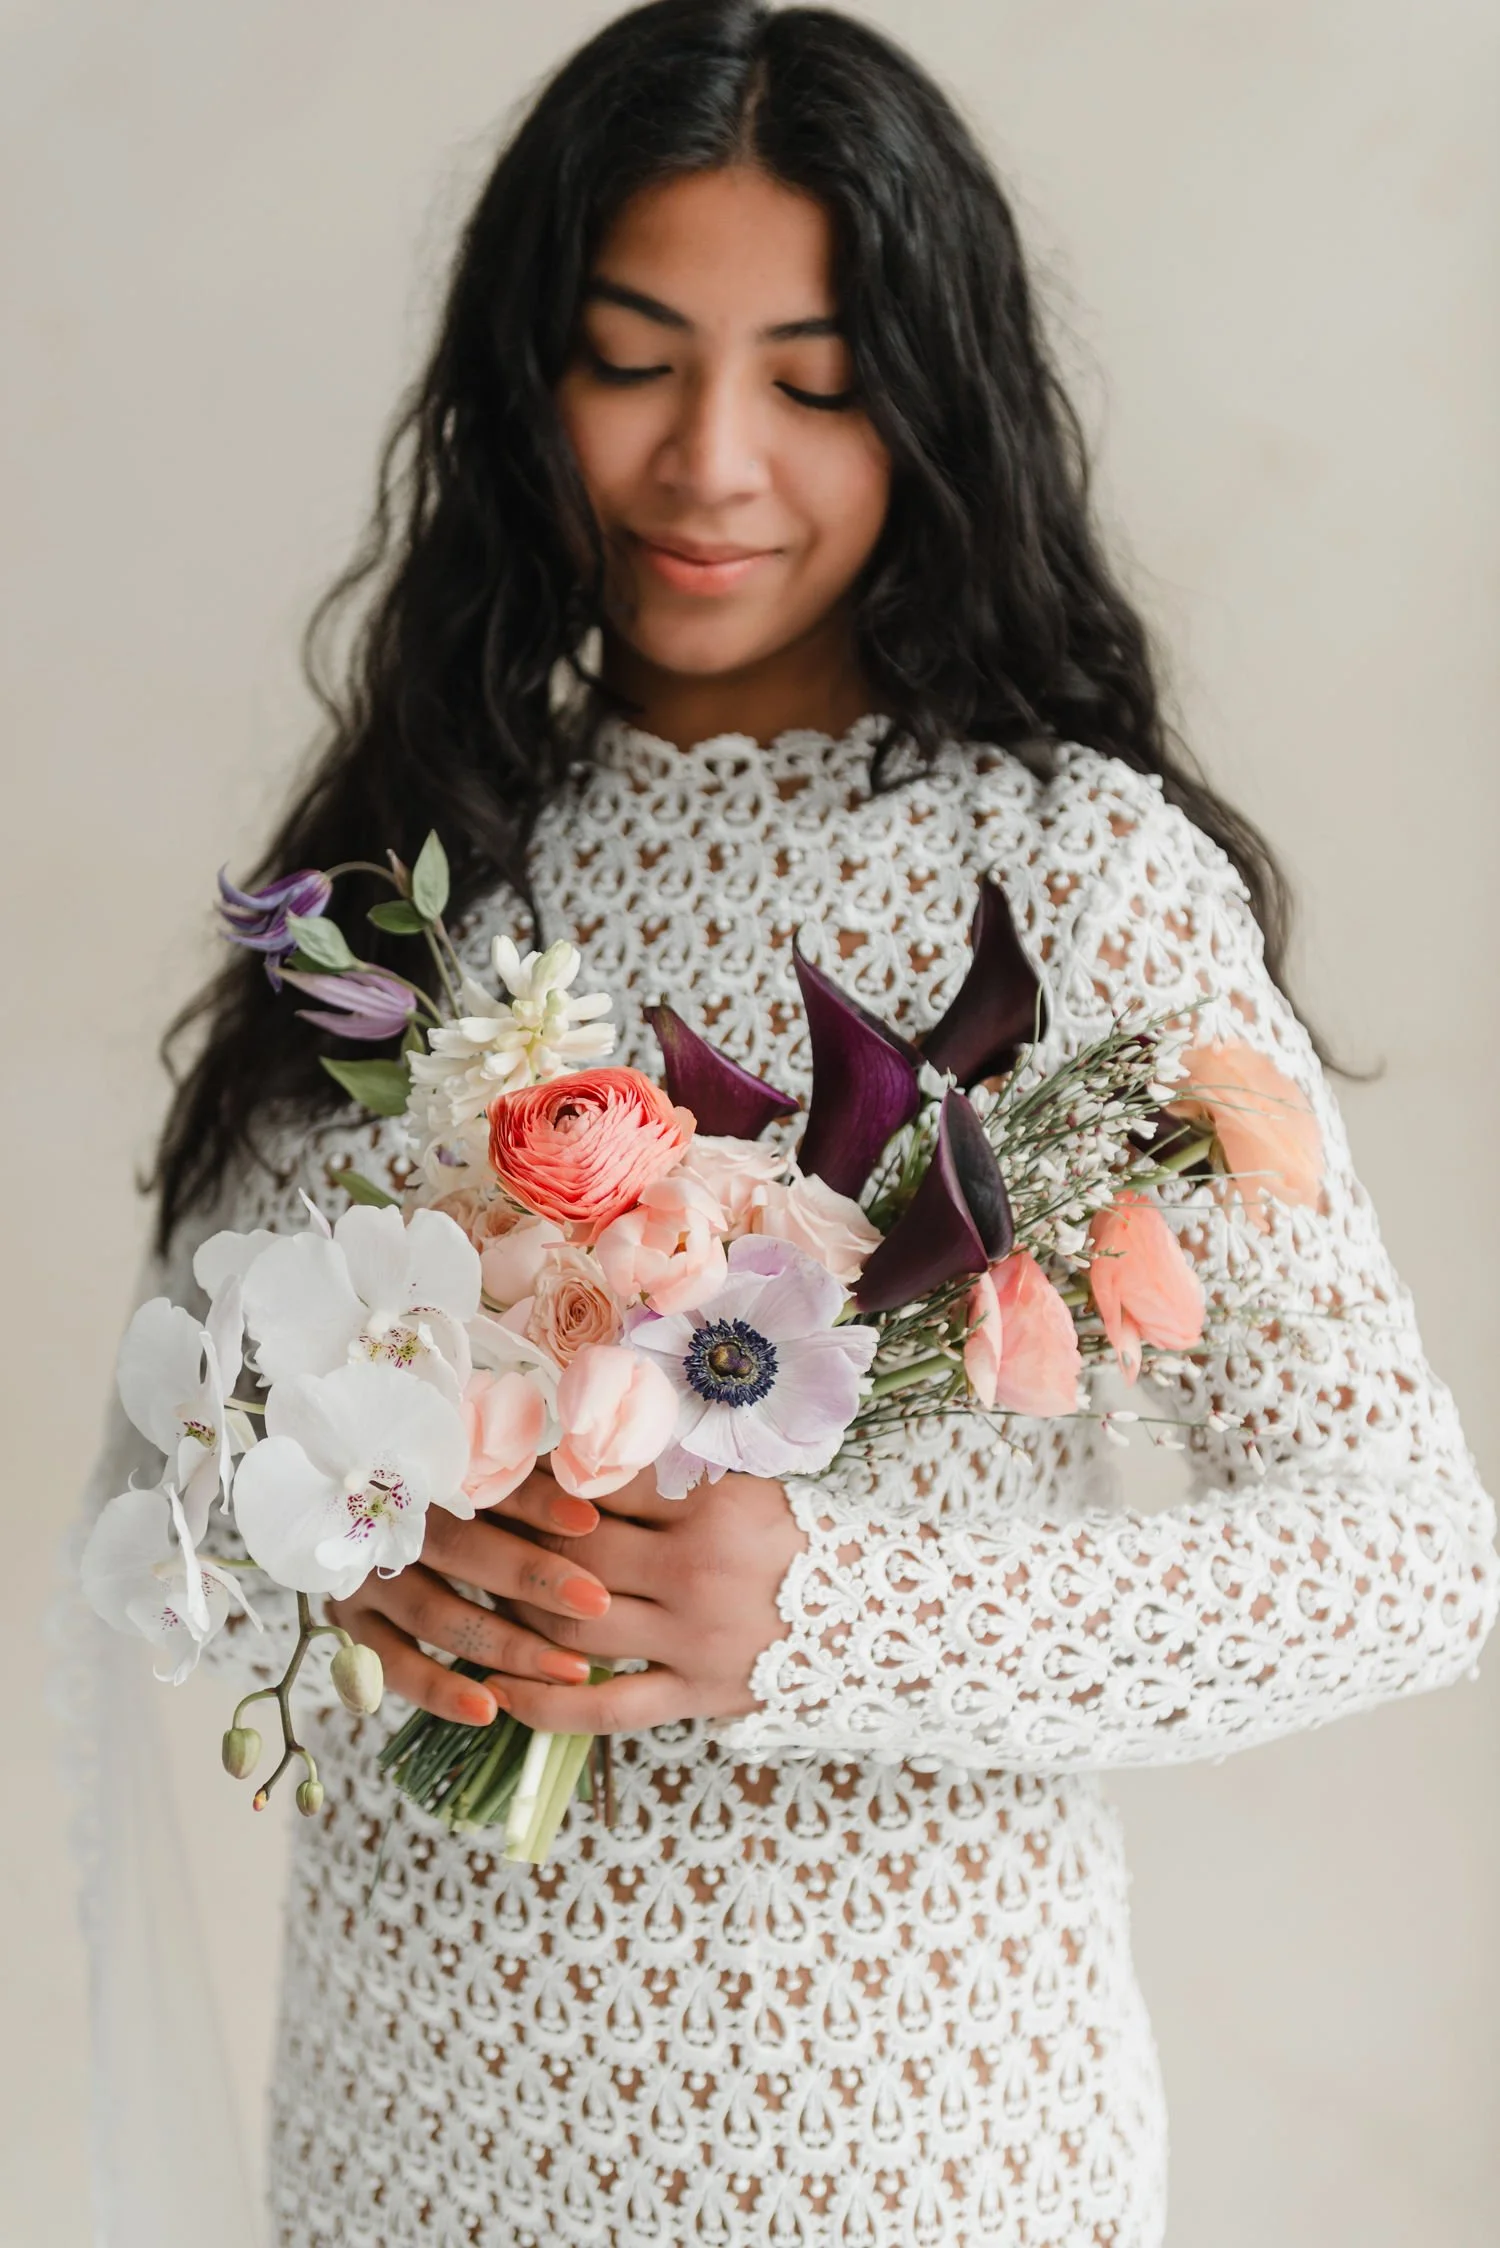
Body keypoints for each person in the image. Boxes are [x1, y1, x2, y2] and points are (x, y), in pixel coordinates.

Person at [75, 3, 1499, 2243]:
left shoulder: (1081, 873)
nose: (710, 460)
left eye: (814, 378)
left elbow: (1408, 1557)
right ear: (520, 376)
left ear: (933, 405)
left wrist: (815, 1615)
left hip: (907, 2148)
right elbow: (171, 1488)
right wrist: (370, 1546)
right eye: (633, 358)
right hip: (410, 2129)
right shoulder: (414, 868)